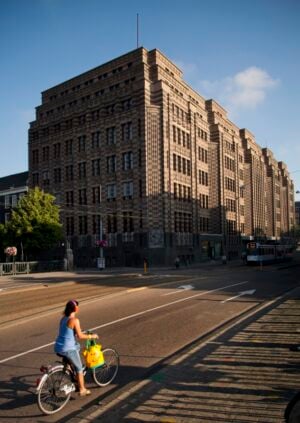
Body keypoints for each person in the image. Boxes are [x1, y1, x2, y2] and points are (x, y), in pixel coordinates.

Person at [54, 299, 98, 396]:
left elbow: (68, 331)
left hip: (58, 347)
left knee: (76, 349)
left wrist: (78, 330)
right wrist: (92, 336)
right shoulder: (74, 320)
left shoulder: (63, 318)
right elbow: (80, 336)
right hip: (68, 349)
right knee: (79, 368)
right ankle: (82, 389)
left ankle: (70, 370)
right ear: (76, 309)